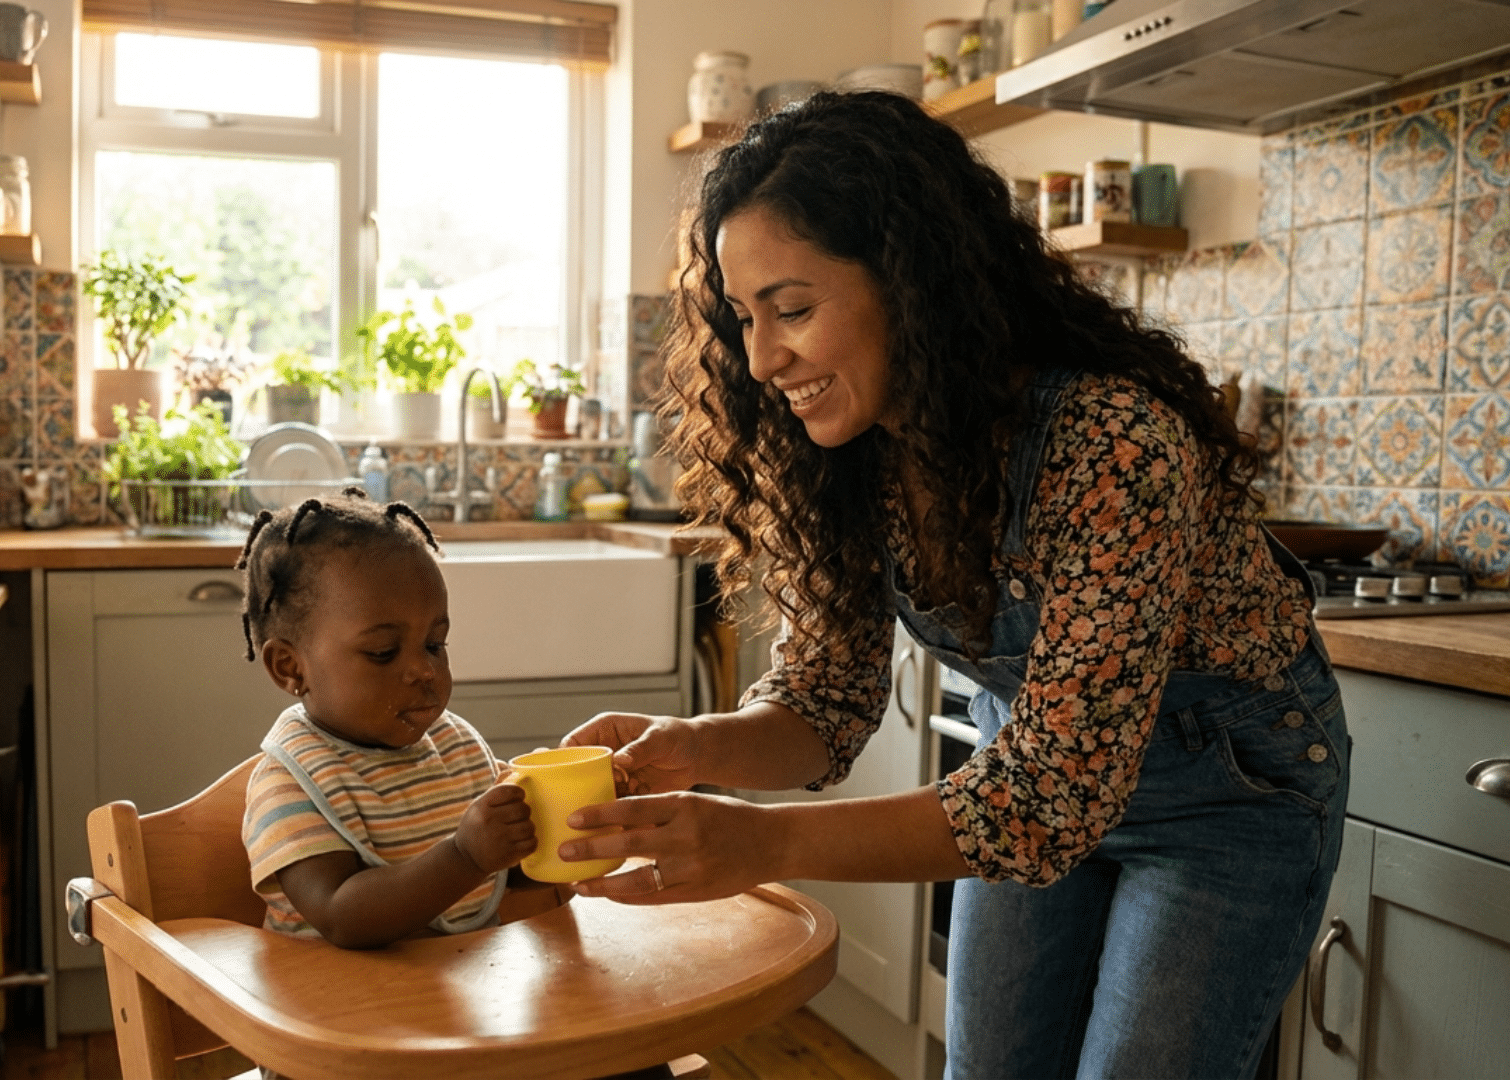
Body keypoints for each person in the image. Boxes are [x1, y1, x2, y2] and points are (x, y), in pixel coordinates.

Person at [558, 92, 1349, 1080]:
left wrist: (753, 843)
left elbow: (1048, 801)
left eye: (792, 309)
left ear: (911, 282)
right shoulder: (850, 455)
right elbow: (826, 703)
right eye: (745, 317)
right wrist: (693, 748)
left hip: (1226, 800)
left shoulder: (1108, 441)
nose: (762, 359)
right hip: (1028, 780)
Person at [236, 490, 538, 949]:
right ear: (290, 667)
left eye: (435, 644)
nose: (424, 670)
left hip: (465, 1001)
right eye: (383, 653)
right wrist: (464, 857)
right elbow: (341, 915)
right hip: (335, 1013)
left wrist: (562, 825)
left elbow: (502, 873)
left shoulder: (454, 749)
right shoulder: (287, 784)